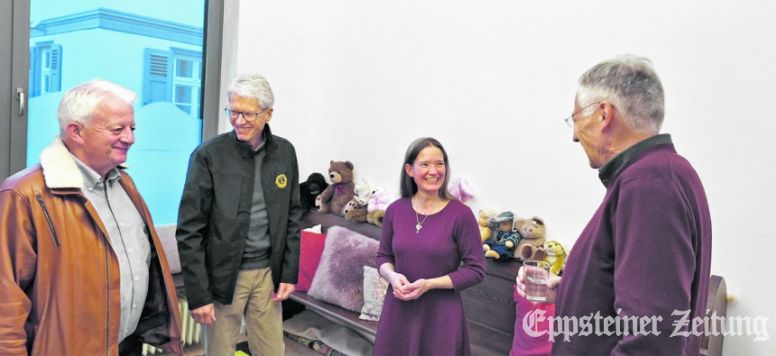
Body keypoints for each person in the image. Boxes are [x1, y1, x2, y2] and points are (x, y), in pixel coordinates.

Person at [516, 56, 712, 355]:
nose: (573, 135)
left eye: (575, 118)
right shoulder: (666, 173)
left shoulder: (649, 184)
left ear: (603, 114)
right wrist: (566, 290)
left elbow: (652, 338)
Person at [0, 79, 183, 355]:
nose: (130, 138)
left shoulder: (125, 184)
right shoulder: (25, 195)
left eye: (132, 128)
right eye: (117, 129)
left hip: (126, 346)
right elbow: (6, 297)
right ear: (76, 132)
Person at [176, 74, 302, 355]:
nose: (238, 120)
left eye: (248, 113)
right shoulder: (208, 155)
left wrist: (289, 273)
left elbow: (292, 216)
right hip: (223, 275)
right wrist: (198, 295)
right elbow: (189, 230)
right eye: (233, 111)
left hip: (268, 274)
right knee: (219, 351)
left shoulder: (285, 153)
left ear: (268, 114)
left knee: (271, 351)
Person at [374, 137, 486, 356]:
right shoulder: (395, 210)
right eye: (425, 164)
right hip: (398, 311)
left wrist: (429, 284)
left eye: (440, 163)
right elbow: (383, 256)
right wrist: (392, 277)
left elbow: (476, 270)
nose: (434, 171)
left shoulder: (461, 214)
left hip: (441, 318)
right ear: (409, 170)